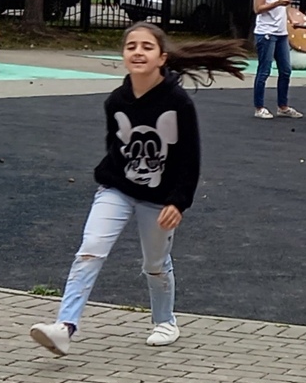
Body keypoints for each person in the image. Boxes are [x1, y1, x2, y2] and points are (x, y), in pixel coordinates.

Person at [31, 21, 205, 355]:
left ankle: (165, 320)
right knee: (90, 248)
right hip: (117, 190)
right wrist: (110, 183)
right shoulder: (116, 102)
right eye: (131, 47)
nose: (138, 52)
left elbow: (189, 157)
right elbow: (117, 147)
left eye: (146, 47)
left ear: (162, 57)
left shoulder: (178, 103)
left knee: (155, 263)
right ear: (123, 55)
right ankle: (65, 327)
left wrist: (178, 201)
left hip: (159, 198)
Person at [251, 0, 301, 120]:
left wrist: (292, 19)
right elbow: (258, 8)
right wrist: (277, 3)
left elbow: (284, 9)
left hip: (281, 33)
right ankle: (259, 106)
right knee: (264, 70)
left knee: (286, 70)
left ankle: (283, 105)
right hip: (266, 31)